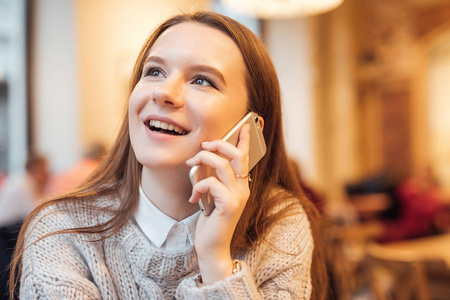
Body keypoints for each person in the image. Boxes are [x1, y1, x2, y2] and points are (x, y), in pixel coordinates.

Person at [10, 11, 327, 299]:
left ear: (250, 128)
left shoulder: (280, 224)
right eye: (154, 71)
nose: (163, 92)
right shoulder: (61, 230)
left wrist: (216, 261)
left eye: (202, 80)